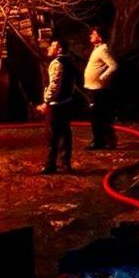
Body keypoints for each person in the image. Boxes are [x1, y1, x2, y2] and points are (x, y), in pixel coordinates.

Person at [37, 36, 75, 174]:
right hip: (66, 102)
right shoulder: (69, 62)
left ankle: (50, 165)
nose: (48, 48)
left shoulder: (57, 63)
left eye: (52, 46)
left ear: (58, 48)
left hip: (57, 104)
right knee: (65, 133)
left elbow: (54, 85)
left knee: (53, 135)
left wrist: (46, 101)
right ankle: (65, 163)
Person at [83, 25, 118, 149]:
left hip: (98, 89)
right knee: (96, 116)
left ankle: (104, 141)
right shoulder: (97, 49)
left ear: (100, 37)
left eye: (94, 34)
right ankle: (100, 140)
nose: (91, 36)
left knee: (99, 116)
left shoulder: (103, 50)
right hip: (93, 88)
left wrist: (102, 77)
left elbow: (113, 65)